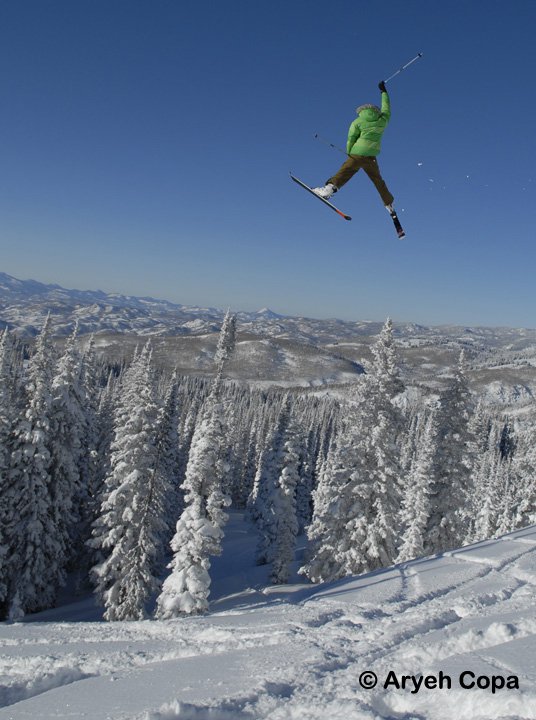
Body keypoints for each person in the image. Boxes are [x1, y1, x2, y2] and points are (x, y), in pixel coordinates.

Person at [312, 81, 395, 214]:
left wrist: (349, 153)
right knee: (378, 180)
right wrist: (383, 92)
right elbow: (387, 108)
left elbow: (351, 138)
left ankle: (329, 189)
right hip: (371, 156)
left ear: (361, 111)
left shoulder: (357, 121)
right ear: (376, 111)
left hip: (357, 153)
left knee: (346, 171)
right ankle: (389, 203)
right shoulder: (382, 120)